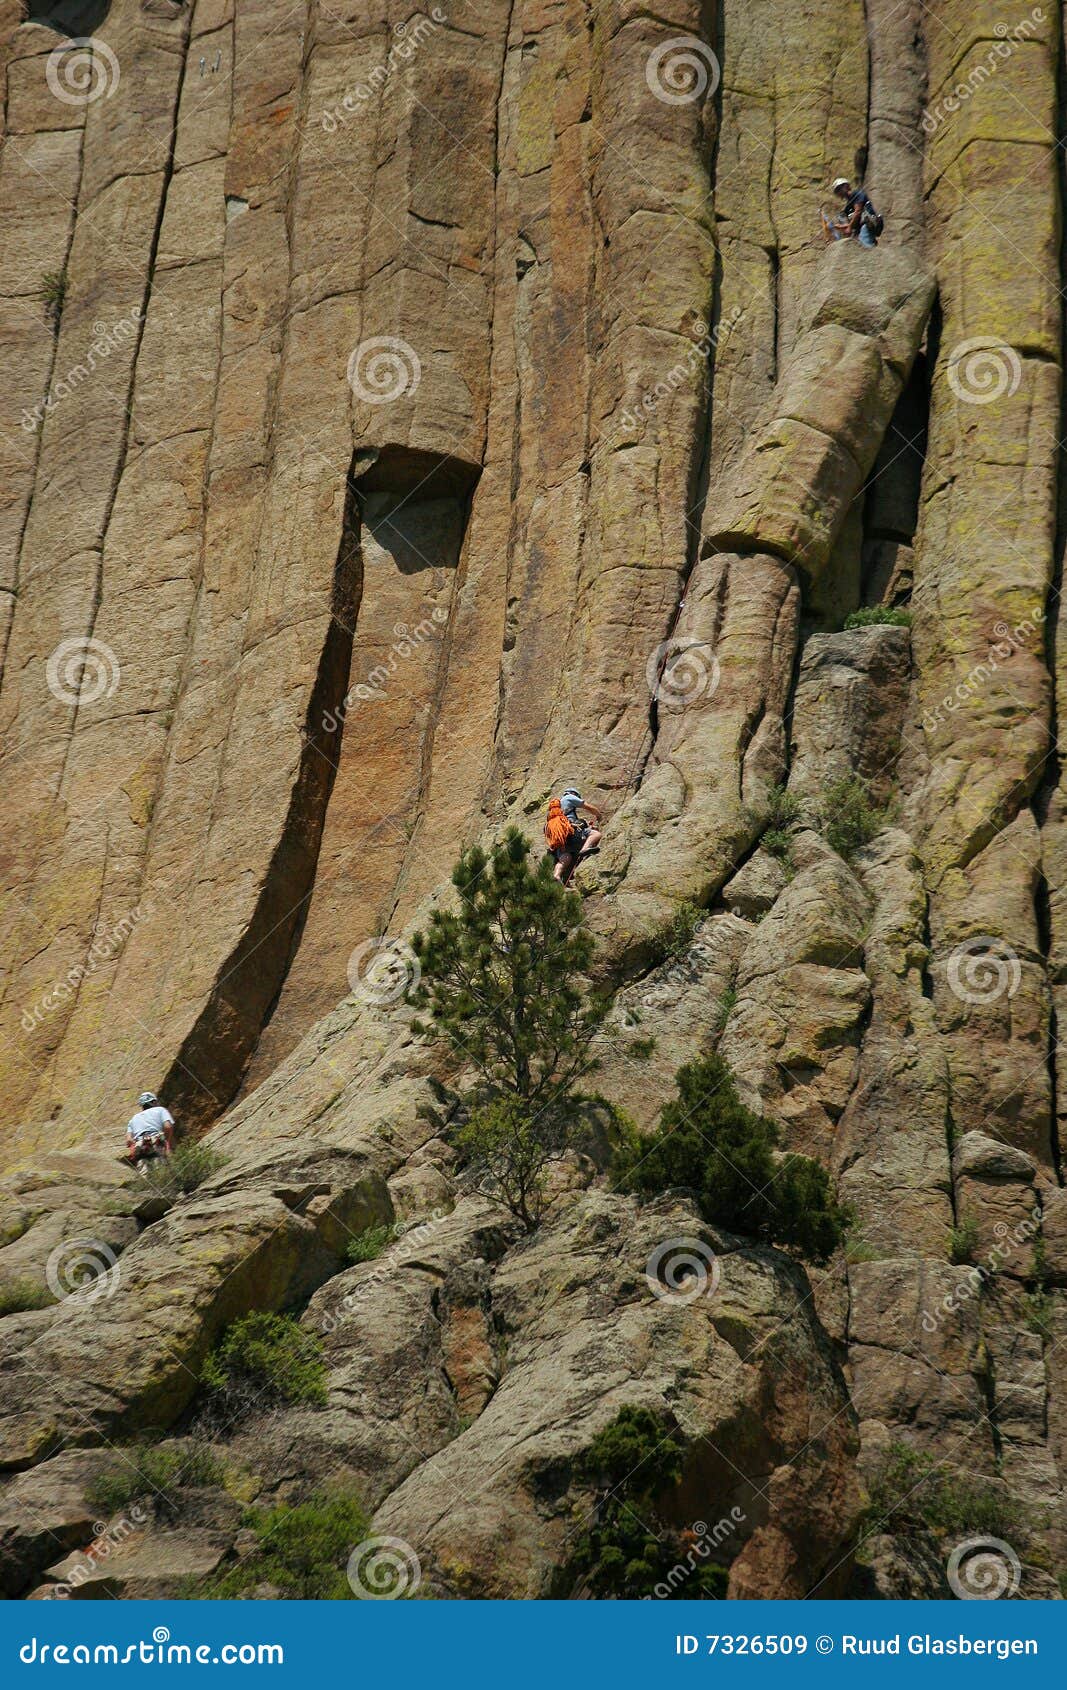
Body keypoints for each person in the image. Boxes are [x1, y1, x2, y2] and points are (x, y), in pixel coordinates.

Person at [548, 786, 603, 886]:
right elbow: (588, 807)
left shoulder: (555, 809)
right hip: (571, 832)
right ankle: (584, 849)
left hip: (559, 837)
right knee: (596, 834)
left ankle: (556, 875)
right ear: (574, 794)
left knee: (566, 856)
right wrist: (598, 815)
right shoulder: (569, 797)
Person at [824, 176, 880, 247]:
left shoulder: (857, 194)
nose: (838, 192)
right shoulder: (848, 206)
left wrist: (849, 227)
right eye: (836, 191)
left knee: (864, 245)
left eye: (839, 189)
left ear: (846, 186)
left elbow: (858, 211)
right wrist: (840, 227)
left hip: (868, 224)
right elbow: (853, 222)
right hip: (861, 227)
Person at [124, 1091, 175, 1166]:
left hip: (140, 1147)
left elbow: (129, 1140)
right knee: (162, 1172)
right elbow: (168, 1127)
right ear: (153, 1102)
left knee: (145, 1174)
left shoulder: (133, 1119)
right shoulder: (161, 1110)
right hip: (157, 1142)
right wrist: (167, 1144)